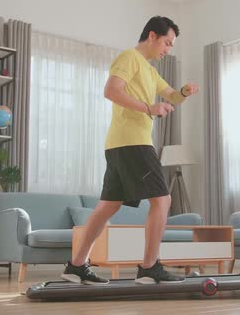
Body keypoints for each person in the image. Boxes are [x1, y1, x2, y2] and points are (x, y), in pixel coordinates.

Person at [61, 16, 199, 285]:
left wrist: (184, 90)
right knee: (163, 200)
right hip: (132, 142)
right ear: (152, 36)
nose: (168, 49)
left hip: (119, 145)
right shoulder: (129, 57)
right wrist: (149, 108)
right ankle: (149, 267)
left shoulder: (149, 70)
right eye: (167, 43)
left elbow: (171, 95)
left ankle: (76, 266)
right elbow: (111, 91)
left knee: (106, 208)